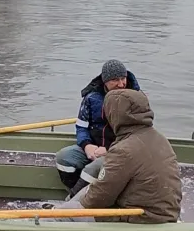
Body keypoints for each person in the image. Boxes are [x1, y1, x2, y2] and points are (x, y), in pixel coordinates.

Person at [52, 88, 182, 224]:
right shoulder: (160, 139)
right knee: (87, 190)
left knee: (66, 213)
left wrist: (71, 207)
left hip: (141, 217)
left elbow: (100, 197)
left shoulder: (124, 150)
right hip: (164, 212)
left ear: (115, 114)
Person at [55, 59, 141, 199]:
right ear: (105, 81)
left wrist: (108, 150)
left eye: (123, 78)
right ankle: (78, 192)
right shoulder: (91, 97)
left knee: (92, 169)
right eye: (115, 80)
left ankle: (72, 201)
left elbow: (137, 136)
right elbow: (81, 127)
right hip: (94, 147)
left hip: (120, 152)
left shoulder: (136, 100)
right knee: (64, 158)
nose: (121, 84)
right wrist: (87, 145)